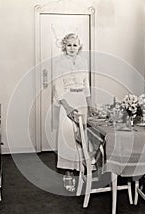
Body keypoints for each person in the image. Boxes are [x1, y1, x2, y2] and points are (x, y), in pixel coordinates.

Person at [53, 33, 93, 192]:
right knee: (68, 136)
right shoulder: (59, 64)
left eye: (75, 45)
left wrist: (90, 106)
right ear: (64, 46)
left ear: (79, 47)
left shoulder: (83, 62)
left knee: (82, 136)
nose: (71, 48)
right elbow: (58, 87)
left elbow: (87, 85)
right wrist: (67, 107)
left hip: (81, 99)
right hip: (67, 101)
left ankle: (83, 170)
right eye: (68, 45)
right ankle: (68, 173)